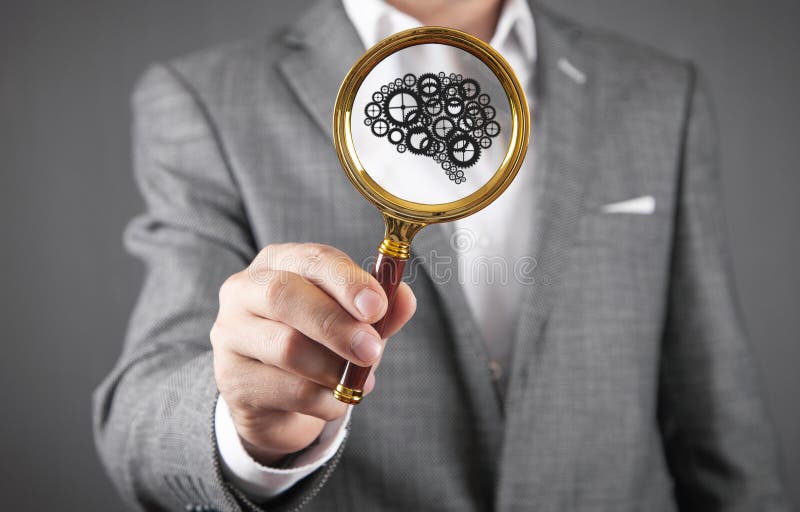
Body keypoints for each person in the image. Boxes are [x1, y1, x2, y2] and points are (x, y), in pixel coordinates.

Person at [93, 0, 792, 510]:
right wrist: (245, 425)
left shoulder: (659, 93)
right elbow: (138, 422)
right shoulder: (207, 99)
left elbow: (719, 415)